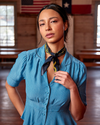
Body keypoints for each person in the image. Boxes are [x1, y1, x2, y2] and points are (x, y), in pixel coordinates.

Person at [5, 3, 87, 125]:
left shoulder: (78, 68)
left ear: (65, 24)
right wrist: (24, 114)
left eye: (53, 21)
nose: (47, 28)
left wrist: (72, 88)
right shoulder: (26, 59)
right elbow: (10, 85)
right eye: (42, 24)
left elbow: (78, 115)